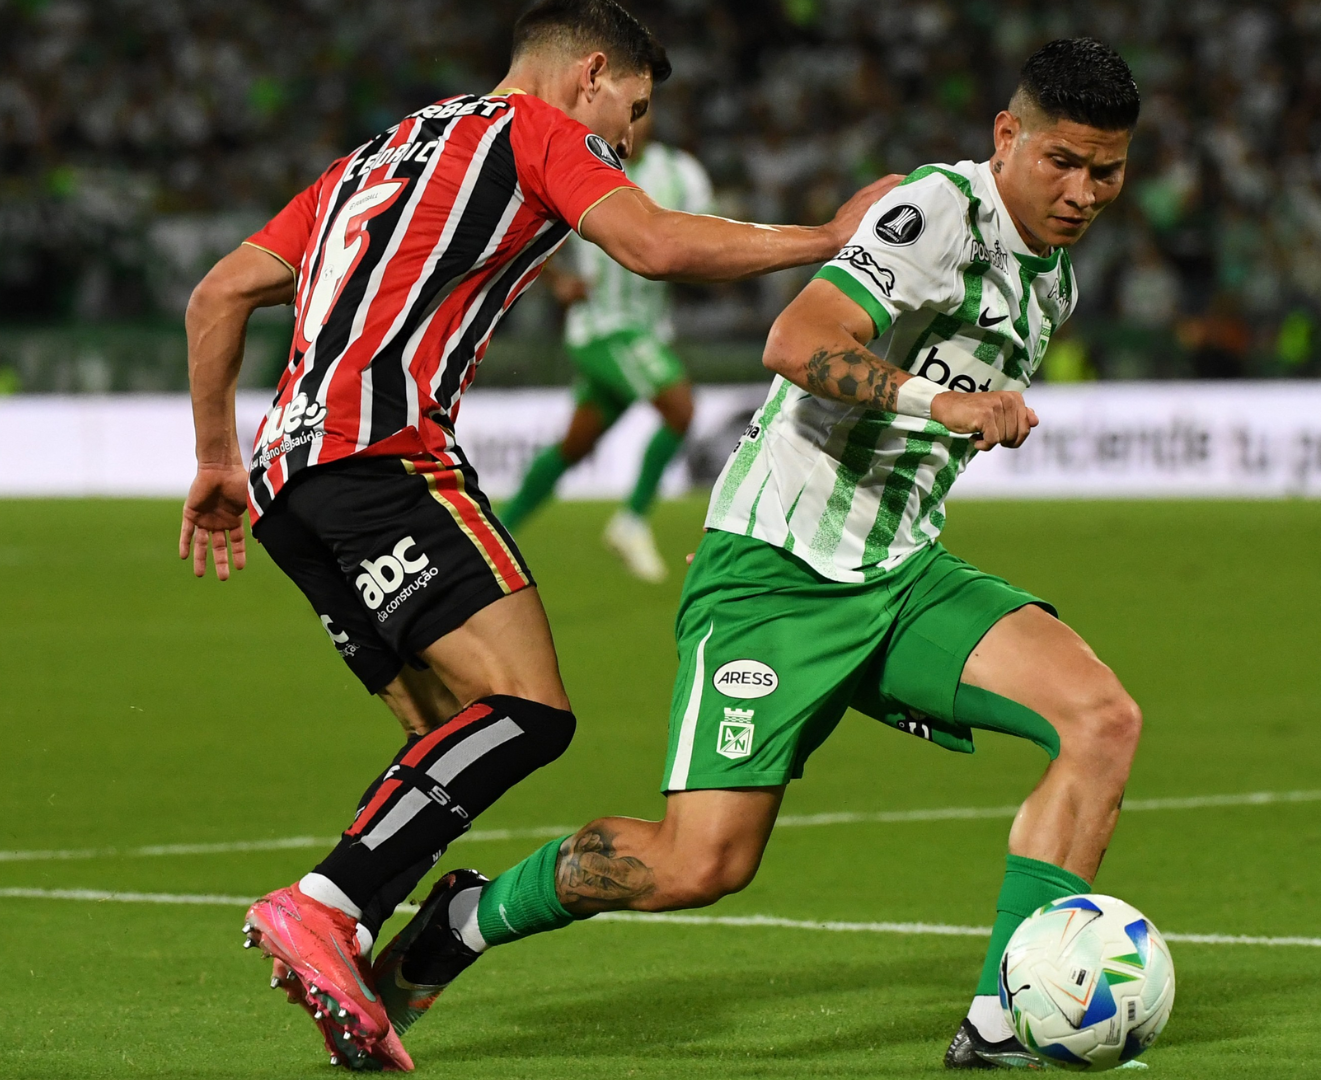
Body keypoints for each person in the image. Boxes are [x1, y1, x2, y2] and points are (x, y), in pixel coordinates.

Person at [369, 37, 1145, 1072]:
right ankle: (465, 921)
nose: (1084, 193)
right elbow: (796, 340)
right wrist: (941, 403)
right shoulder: (937, 215)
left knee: (1100, 720)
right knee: (700, 864)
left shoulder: (1052, 281)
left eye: (1107, 172)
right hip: (775, 573)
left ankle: (1002, 1021)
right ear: (1007, 136)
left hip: (899, 572)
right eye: (1064, 162)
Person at [176, 0, 897, 1070]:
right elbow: (652, 244)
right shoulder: (533, 131)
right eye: (633, 110)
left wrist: (217, 460)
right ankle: (326, 906)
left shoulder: (377, 156)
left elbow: (219, 293)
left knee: (449, 730)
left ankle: (382, 947)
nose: (631, 140)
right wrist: (830, 239)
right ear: (588, 74)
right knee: (527, 709)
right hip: (384, 456)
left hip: (288, 484)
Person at [500, 105, 714, 581]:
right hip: (603, 326)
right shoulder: (581, 164)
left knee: (574, 446)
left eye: (645, 109)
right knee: (680, 408)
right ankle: (631, 521)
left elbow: (703, 234)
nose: (636, 120)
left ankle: (499, 531)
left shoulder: (681, 173)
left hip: (648, 328)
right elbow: (526, 225)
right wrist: (556, 278)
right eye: (629, 110)